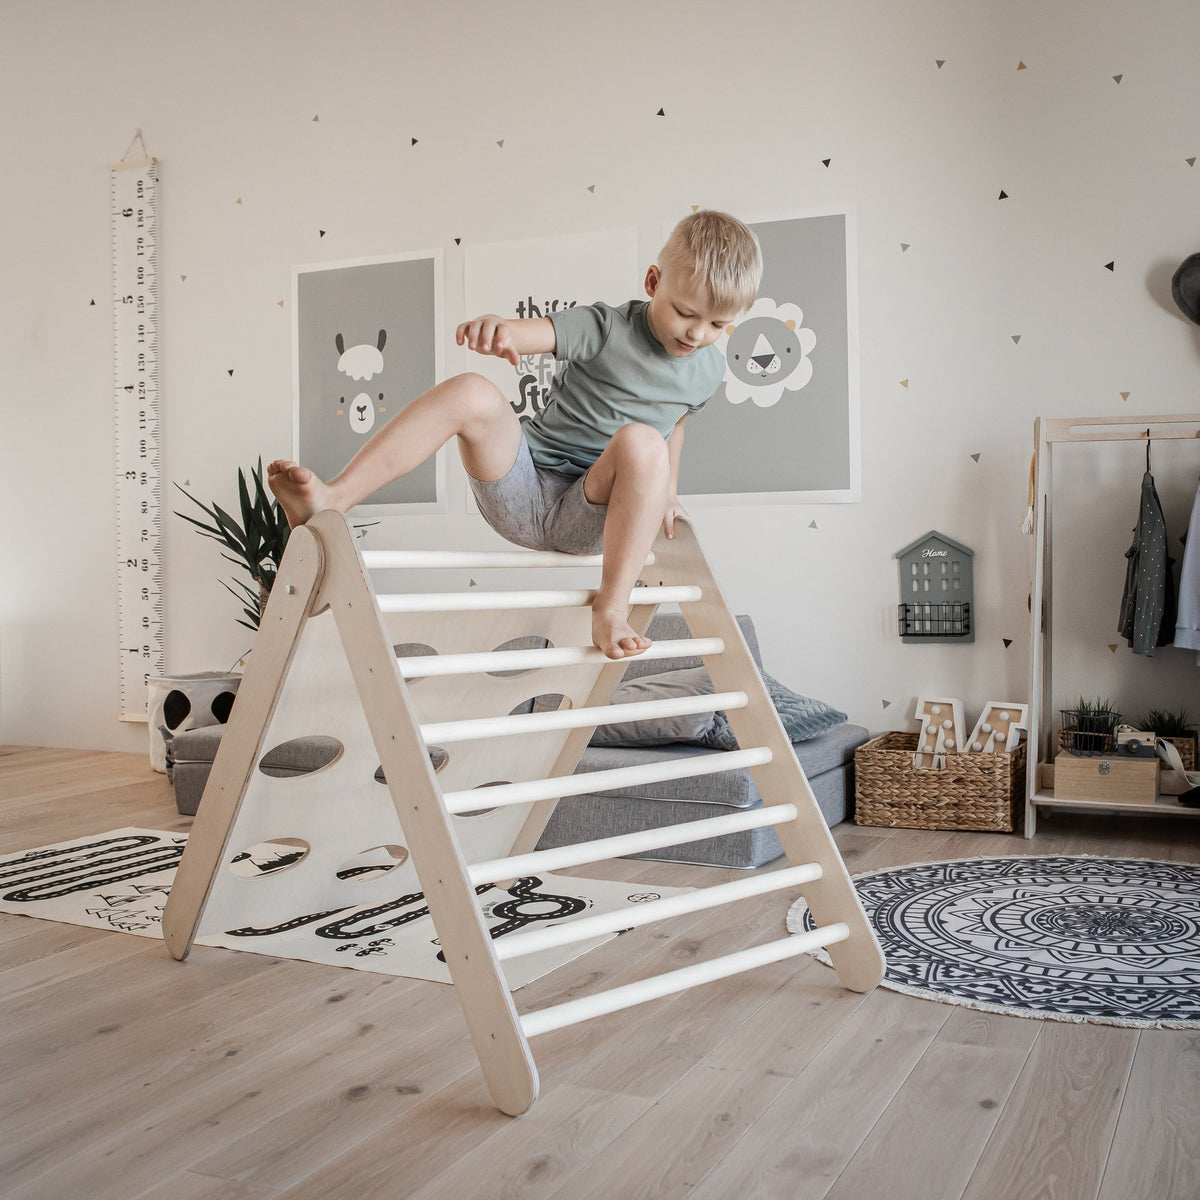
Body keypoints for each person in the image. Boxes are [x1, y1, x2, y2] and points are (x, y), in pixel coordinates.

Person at [269, 210, 762, 659]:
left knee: (644, 440)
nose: (697, 333)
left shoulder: (708, 371)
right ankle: (334, 498)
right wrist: (501, 330)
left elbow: (675, 424)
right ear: (653, 282)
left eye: (717, 324)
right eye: (685, 312)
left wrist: (668, 491)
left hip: (593, 513)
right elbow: (538, 332)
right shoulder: (606, 327)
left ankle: (611, 609)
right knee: (472, 390)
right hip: (522, 488)